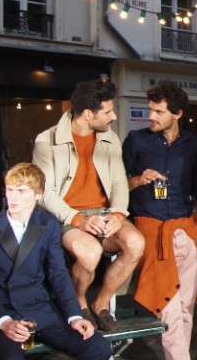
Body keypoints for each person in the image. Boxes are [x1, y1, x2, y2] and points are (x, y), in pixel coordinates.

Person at [0, 163, 111, 360]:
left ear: (37, 195)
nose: (13, 198)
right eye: (9, 190)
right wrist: (4, 322)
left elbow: (58, 275)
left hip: (40, 311)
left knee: (98, 348)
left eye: (21, 191)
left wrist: (74, 315)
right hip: (4, 313)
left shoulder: (46, 223)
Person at [122, 82, 197, 360]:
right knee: (171, 310)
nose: (152, 116)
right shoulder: (136, 141)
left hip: (186, 231)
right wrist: (138, 179)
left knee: (185, 310)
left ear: (178, 113)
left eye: (159, 111)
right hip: (151, 231)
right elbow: (116, 187)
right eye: (151, 109)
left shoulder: (194, 145)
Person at [32, 78, 145, 332]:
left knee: (136, 243)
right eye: (108, 112)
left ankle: (101, 302)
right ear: (87, 114)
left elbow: (118, 183)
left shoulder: (110, 138)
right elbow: (44, 193)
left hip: (104, 214)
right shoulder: (46, 141)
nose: (114, 117)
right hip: (66, 216)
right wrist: (78, 219)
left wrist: (118, 213)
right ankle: (78, 303)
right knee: (90, 253)